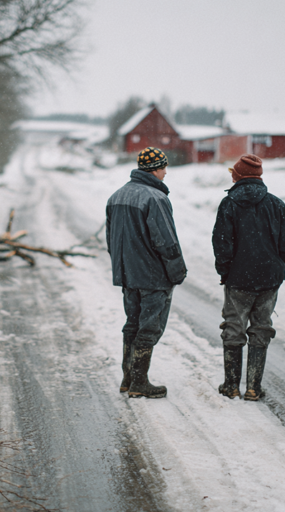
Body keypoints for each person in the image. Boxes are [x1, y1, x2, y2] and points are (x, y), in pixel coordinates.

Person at [106, 147, 187, 399]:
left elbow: (111, 240)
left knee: (132, 323)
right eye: (163, 167)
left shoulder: (116, 197)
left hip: (128, 275)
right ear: (154, 169)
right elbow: (167, 242)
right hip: (153, 276)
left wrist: (124, 267)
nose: (165, 172)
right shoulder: (155, 198)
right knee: (150, 327)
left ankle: (128, 378)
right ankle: (140, 381)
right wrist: (178, 273)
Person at [212, 154, 285, 401]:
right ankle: (253, 388)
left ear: (237, 176)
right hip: (269, 279)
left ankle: (231, 385)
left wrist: (225, 271)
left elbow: (222, 244)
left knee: (233, 328)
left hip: (238, 279)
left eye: (232, 173)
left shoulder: (229, 204)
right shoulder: (276, 204)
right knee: (261, 328)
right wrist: (279, 268)